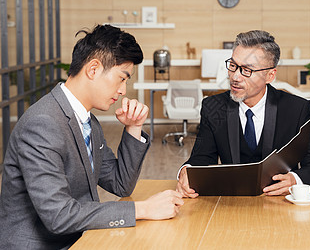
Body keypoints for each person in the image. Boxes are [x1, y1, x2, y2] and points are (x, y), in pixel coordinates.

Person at [0, 25, 183, 249]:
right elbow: (59, 215)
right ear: (93, 69)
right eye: (122, 78)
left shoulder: (88, 121)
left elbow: (119, 184)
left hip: (80, 238)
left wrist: (134, 127)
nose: (124, 90)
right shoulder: (43, 123)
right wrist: (143, 209)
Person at [176, 30, 310, 198]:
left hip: (280, 204)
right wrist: (187, 170)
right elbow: (202, 159)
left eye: (246, 70)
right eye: (233, 66)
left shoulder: (296, 109)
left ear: (270, 75)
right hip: (231, 201)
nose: (235, 77)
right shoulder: (213, 107)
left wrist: (295, 179)